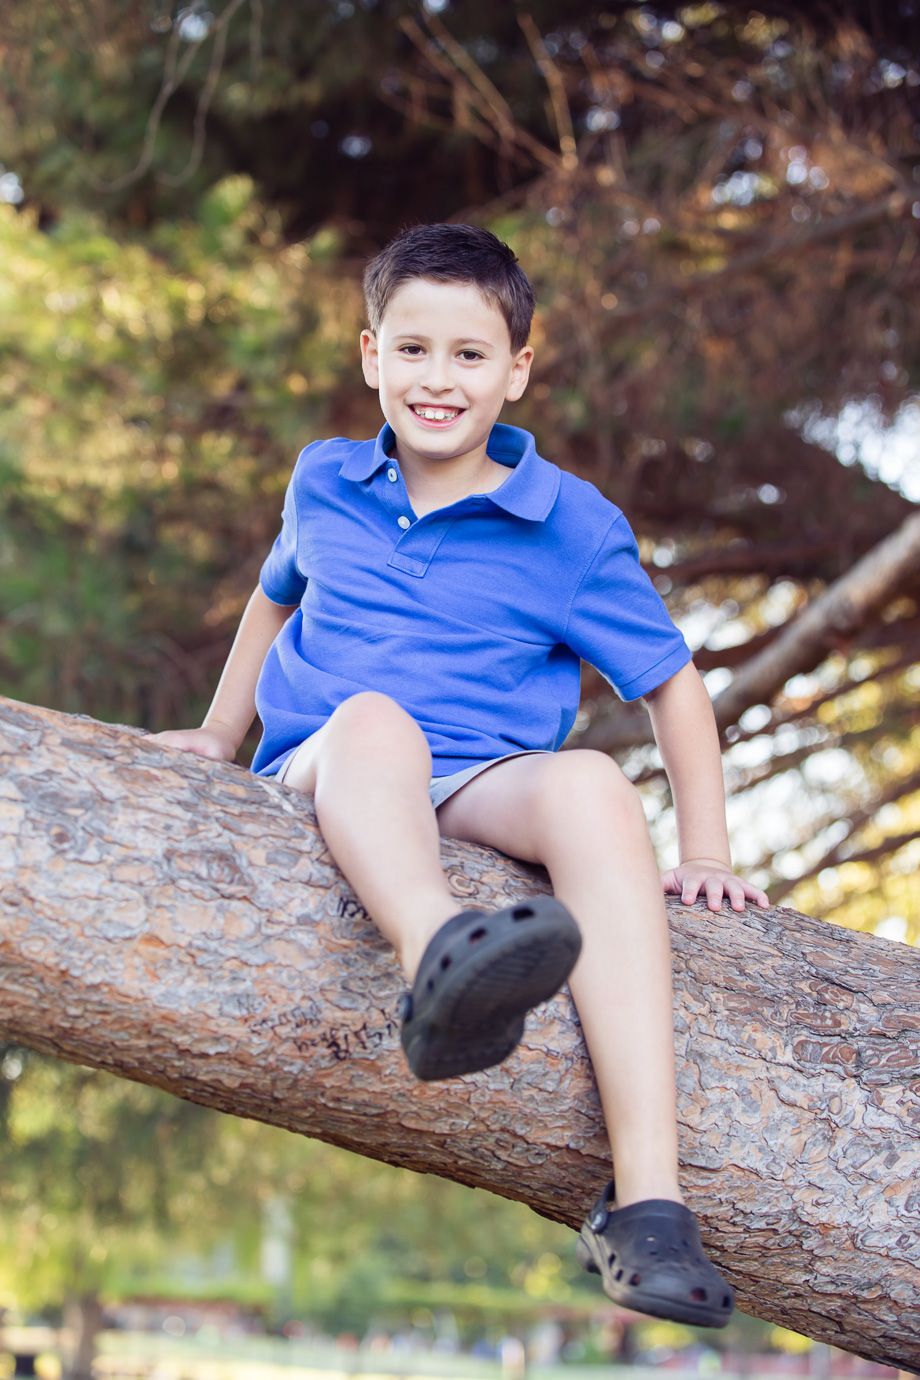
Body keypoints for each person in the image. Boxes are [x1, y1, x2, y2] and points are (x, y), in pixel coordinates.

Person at [152, 222, 768, 1329]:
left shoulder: (570, 526)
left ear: (517, 370)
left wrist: (708, 852)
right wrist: (214, 731)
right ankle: (439, 952)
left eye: (470, 355)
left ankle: (648, 1204)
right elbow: (272, 596)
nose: (438, 379)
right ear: (368, 355)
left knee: (587, 785)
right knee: (378, 719)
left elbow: (671, 687)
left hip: (477, 776)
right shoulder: (324, 481)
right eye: (414, 349)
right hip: (329, 759)